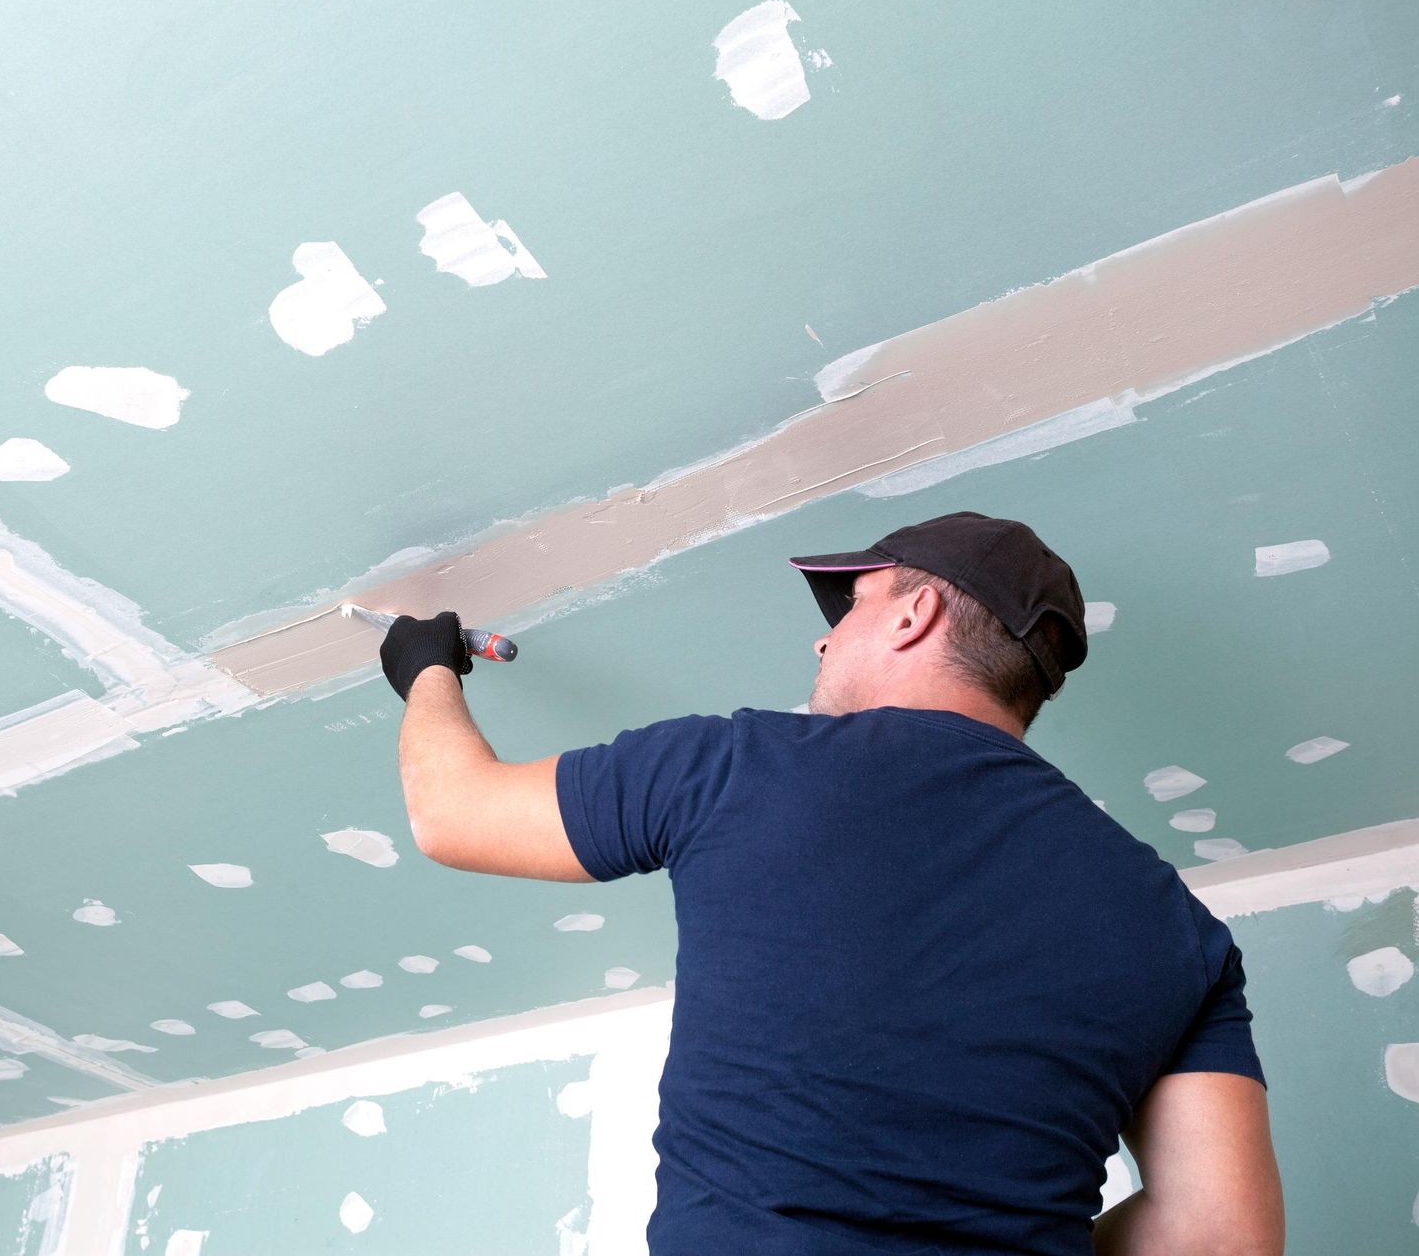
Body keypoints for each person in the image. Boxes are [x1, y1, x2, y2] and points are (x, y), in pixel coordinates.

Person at [377, 510, 1284, 1255]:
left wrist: (423, 668)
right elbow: (1221, 1239)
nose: (822, 640)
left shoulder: (739, 765)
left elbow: (453, 814)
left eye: (851, 605)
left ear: (912, 614)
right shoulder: (1176, 925)